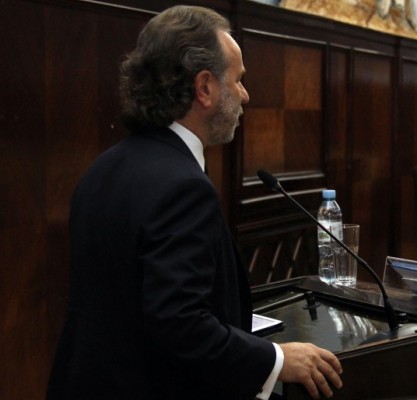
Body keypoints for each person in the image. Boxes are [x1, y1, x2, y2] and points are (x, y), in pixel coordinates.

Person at [47, 6, 342, 400]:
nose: (245, 95)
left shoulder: (104, 167)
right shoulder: (183, 187)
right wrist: (276, 360)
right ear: (204, 88)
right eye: (237, 81)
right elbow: (181, 325)